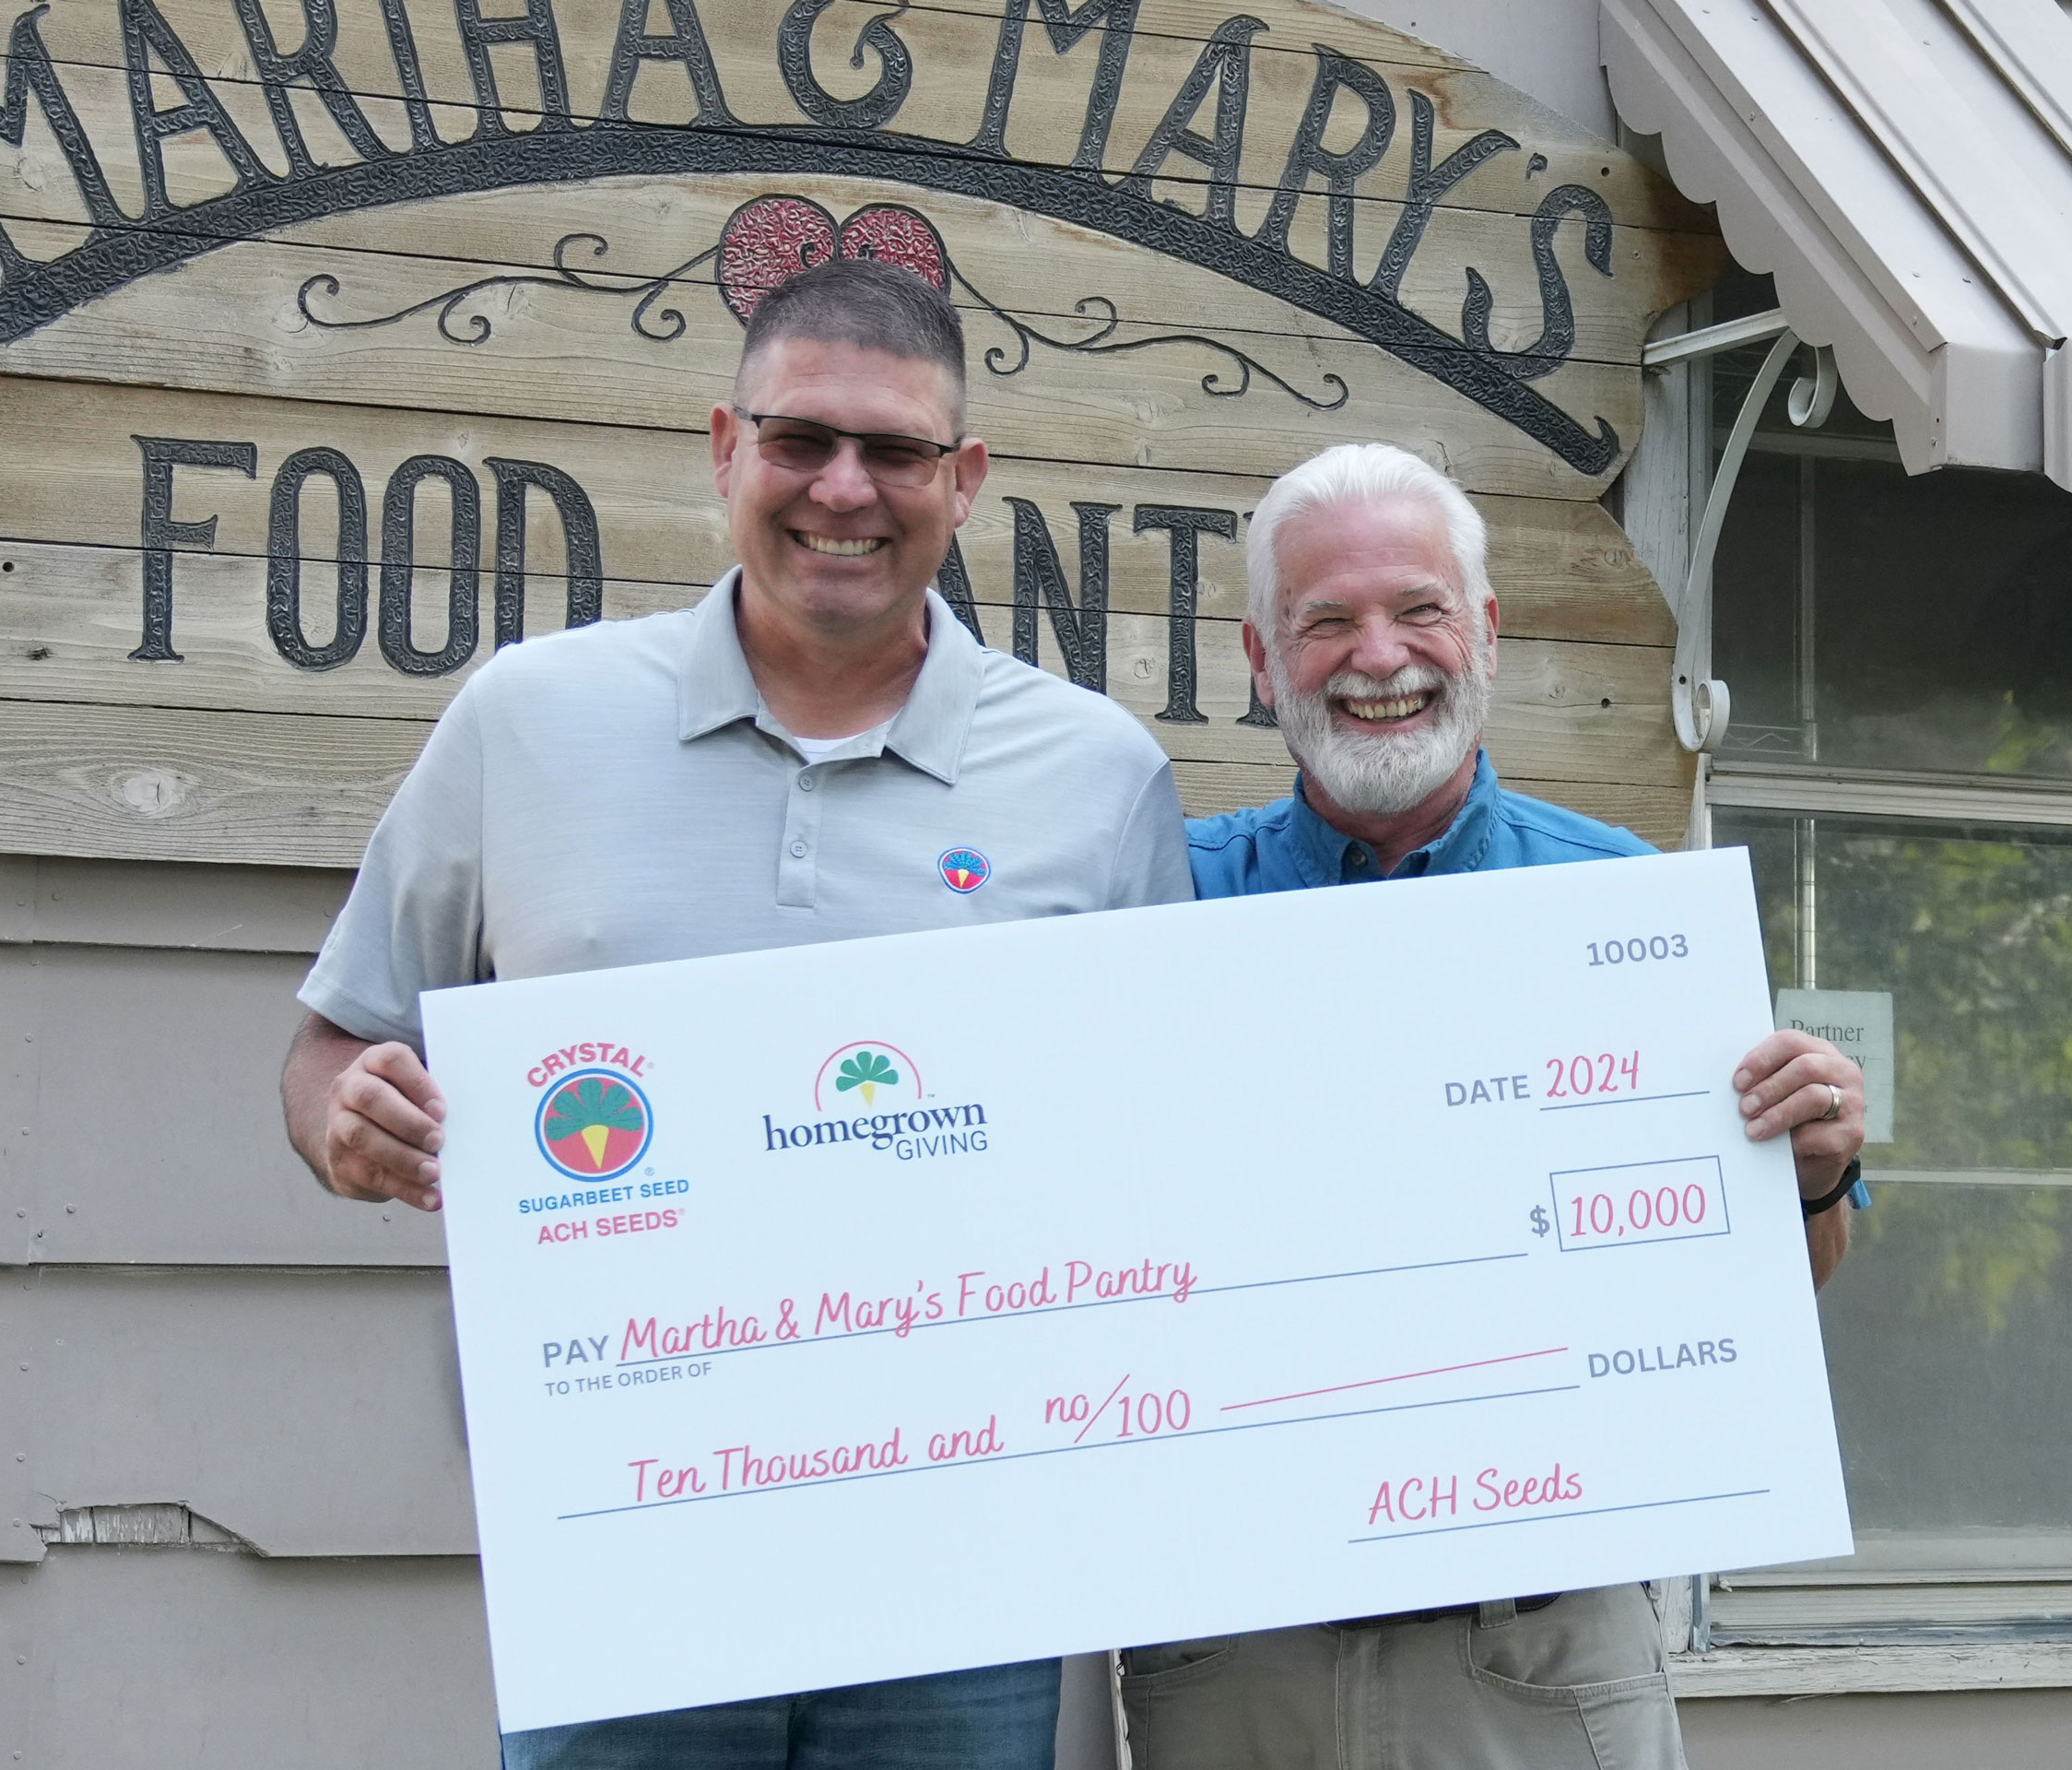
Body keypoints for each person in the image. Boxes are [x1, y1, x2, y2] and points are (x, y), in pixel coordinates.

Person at [279, 257, 1193, 1770]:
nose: (843, 488)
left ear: (963, 481)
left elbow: (1162, 1151)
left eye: (893, 450)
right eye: (800, 439)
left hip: (962, 1564)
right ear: (724, 449)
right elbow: (336, 1040)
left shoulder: (1097, 776)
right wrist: (346, 1119)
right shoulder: (528, 721)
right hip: (622, 1542)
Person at [1120, 442, 1867, 1770]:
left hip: (1535, 1648)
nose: (1379, 656)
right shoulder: (1158, 906)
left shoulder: (1633, 913)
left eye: (1419, 609)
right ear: (1259, 660)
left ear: (1487, 634)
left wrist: (1806, 1174)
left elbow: (1776, 1277)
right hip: (1235, 1650)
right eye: (1326, 620)